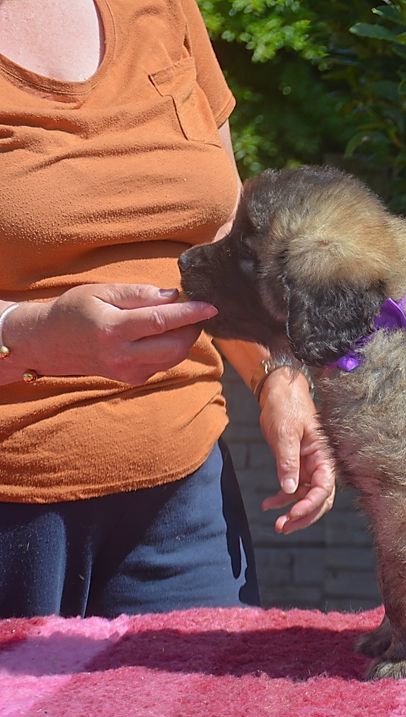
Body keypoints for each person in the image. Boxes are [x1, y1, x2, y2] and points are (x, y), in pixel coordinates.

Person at [0, 0, 337, 616]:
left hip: (186, 504)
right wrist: (26, 338)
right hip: (13, 514)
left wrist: (277, 375)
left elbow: (224, 236)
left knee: (207, 714)